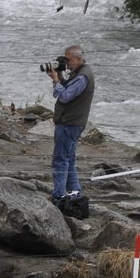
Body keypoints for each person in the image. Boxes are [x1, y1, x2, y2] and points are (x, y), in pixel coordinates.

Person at [47, 45, 93, 204]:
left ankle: (58, 195)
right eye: (64, 59)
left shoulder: (82, 77)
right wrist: (58, 75)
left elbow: (65, 96)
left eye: (68, 59)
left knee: (60, 159)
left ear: (79, 58)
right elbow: (67, 87)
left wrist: (55, 80)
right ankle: (74, 190)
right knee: (69, 158)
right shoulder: (79, 73)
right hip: (72, 122)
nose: (66, 62)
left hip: (69, 123)